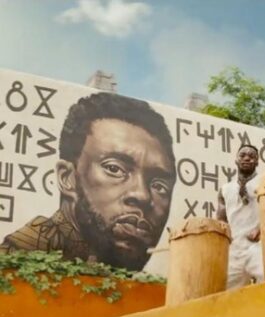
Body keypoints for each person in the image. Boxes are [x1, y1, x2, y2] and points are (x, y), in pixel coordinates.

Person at [0, 92, 177, 271]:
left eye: (159, 186)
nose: (143, 195)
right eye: (114, 168)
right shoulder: (21, 257)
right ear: (67, 178)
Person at [217, 144, 264, 288]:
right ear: (236, 160)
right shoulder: (225, 189)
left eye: (251, 156)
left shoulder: (264, 182)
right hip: (234, 249)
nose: (247, 158)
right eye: (242, 155)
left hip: (258, 246)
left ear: (257, 161)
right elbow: (221, 221)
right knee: (226, 290)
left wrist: (261, 228)